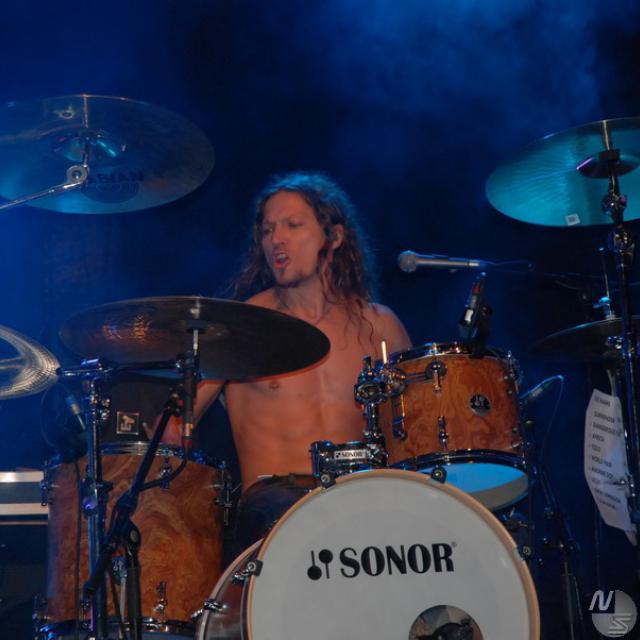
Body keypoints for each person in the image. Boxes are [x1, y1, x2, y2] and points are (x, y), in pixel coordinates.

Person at [167, 171, 411, 556]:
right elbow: (172, 428)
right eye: (267, 230)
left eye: (293, 225)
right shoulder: (243, 325)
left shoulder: (380, 326)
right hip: (272, 520)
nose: (276, 239)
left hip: (365, 515)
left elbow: (416, 435)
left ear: (334, 237)